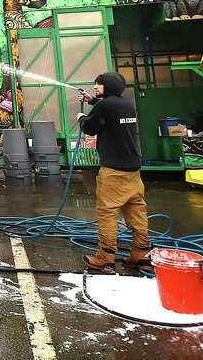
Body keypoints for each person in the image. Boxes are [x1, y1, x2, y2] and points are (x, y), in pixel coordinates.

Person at [76, 73, 152, 274]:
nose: (95, 88)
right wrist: (92, 101)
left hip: (113, 170)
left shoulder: (105, 106)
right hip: (133, 169)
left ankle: (105, 258)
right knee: (136, 210)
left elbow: (90, 128)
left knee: (107, 213)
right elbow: (108, 109)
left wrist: (82, 118)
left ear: (108, 86)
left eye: (98, 86)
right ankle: (142, 254)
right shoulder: (127, 104)